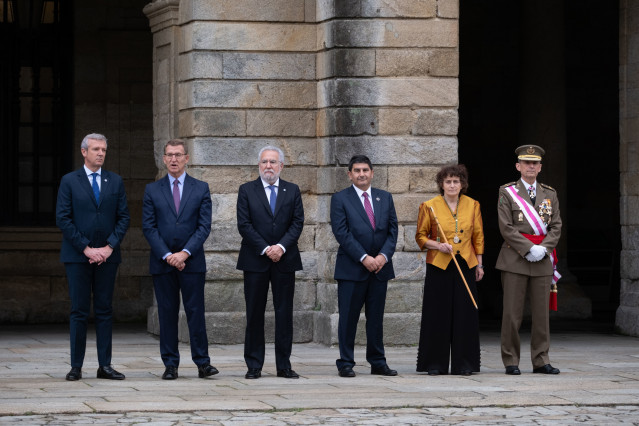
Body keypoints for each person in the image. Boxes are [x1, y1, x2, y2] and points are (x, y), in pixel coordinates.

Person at [56, 133, 130, 381]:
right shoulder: (69, 181)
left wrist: (109, 247)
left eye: (104, 150)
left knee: (104, 310)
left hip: (108, 256)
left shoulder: (115, 181)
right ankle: (76, 366)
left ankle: (104, 366)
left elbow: (124, 218)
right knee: (78, 310)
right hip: (78, 257)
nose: (101, 153)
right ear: (84, 152)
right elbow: (63, 219)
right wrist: (86, 248)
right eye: (96, 149)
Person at [142, 139, 218, 380]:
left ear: (187, 158)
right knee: (167, 313)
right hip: (162, 263)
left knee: (195, 311)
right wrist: (167, 255)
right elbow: (149, 227)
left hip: (192, 262)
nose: (173, 159)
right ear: (163, 159)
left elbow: (204, 226)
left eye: (178, 155)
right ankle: (171, 364)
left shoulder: (201, 188)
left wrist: (185, 253)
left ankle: (203, 363)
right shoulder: (152, 190)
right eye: (169, 155)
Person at [236, 146, 304, 380]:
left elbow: (297, 223)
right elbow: (244, 225)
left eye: (273, 162)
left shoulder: (292, 190)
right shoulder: (246, 190)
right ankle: (254, 365)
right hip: (255, 260)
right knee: (254, 313)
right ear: (258, 165)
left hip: (285, 260)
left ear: (281, 166)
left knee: (284, 314)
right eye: (264, 162)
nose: (268, 166)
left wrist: (281, 247)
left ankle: (283, 365)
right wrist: (266, 249)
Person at [330, 154, 398, 378]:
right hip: (352, 269)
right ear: (350, 174)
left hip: (379, 269)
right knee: (348, 318)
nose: (361, 174)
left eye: (365, 170)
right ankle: (346, 362)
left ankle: (377, 361)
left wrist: (382, 257)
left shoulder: (384, 197)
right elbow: (342, 232)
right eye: (357, 171)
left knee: (376, 319)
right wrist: (364, 257)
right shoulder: (340, 199)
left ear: (372, 173)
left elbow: (392, 231)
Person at [496, 145, 562, 375]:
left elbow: (556, 226)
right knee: (512, 314)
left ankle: (541, 359)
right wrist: (528, 248)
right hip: (515, 258)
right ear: (518, 166)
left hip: (542, 258)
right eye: (526, 162)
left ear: (540, 167)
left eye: (535, 163)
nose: (530, 166)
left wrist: (543, 248)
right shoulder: (507, 191)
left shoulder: (549, 193)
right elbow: (506, 227)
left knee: (542, 315)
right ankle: (511, 360)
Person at [415, 164, 484, 376]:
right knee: (438, 313)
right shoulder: (429, 206)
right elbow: (421, 237)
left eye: (456, 181)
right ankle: (435, 363)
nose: (452, 185)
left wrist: (479, 264)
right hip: (439, 264)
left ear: (462, 184)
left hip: (465, 263)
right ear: (441, 184)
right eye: (448, 181)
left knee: (465, 314)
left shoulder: (473, 205)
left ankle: (465, 364)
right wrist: (438, 245)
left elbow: (478, 237)